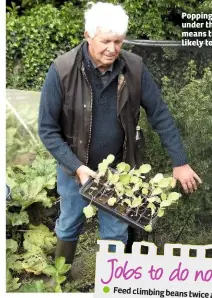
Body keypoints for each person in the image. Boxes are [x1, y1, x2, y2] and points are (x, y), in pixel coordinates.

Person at [38, 2, 202, 269]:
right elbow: (47, 130)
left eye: (118, 41)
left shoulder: (134, 68)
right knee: (69, 224)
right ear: (87, 35)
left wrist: (179, 161)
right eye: (105, 41)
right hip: (74, 167)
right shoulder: (61, 71)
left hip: (121, 171)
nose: (112, 49)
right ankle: (60, 279)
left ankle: (112, 285)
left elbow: (159, 114)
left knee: (115, 233)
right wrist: (77, 168)